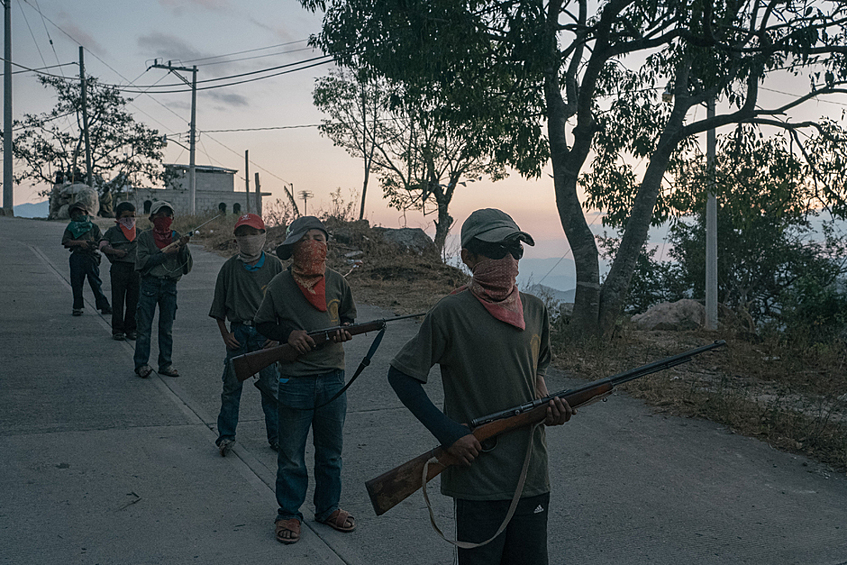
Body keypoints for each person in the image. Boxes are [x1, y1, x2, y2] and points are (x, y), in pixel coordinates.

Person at [388, 208, 574, 565]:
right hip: (478, 476)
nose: (508, 258)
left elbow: (537, 374)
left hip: (530, 472)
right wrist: (449, 434)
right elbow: (401, 376)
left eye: (515, 249)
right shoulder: (450, 312)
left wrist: (550, 407)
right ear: (469, 257)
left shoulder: (534, 309)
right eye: (496, 248)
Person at [254, 216, 357, 545]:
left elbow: (349, 317)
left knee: (330, 453)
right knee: (292, 455)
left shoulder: (338, 281)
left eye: (319, 237)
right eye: (306, 238)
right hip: (295, 380)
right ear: (294, 246)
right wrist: (289, 334)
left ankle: (328, 508)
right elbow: (263, 324)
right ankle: (288, 513)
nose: (313, 244)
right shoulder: (280, 286)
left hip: (332, 378)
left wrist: (344, 329)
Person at [209, 213, 283, 457]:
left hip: (266, 335)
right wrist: (225, 335)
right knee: (231, 387)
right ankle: (226, 436)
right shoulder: (229, 268)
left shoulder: (274, 266)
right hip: (238, 333)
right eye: (242, 234)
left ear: (263, 236)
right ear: (236, 239)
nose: (248, 239)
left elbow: (284, 306)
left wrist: (278, 334)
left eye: (253, 233)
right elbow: (218, 308)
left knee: (271, 387)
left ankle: (276, 436)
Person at [133, 201, 192, 379]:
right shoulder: (144, 237)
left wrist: (182, 248)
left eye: (167, 216)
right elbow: (142, 262)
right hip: (150, 284)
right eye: (160, 216)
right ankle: (141, 365)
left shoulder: (176, 236)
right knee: (144, 328)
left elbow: (187, 266)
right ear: (152, 218)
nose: (164, 219)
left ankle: (165, 364)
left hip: (170, 286)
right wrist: (164, 254)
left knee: (166, 328)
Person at [61, 201, 112, 317]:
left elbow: (101, 241)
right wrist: (80, 243)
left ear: (86, 213)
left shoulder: (93, 227)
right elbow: (65, 241)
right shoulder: (71, 227)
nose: (77, 215)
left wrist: (96, 245)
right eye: (74, 213)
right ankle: (77, 307)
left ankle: (103, 306)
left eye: (80, 212)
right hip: (77, 257)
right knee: (76, 283)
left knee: (95, 283)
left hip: (91, 257)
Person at [99, 201, 140, 340]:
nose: (129, 220)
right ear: (118, 217)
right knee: (118, 300)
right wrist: (115, 251)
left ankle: (131, 329)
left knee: (134, 301)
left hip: (136, 270)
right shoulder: (112, 231)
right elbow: (102, 245)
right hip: (119, 268)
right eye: (125, 216)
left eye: (132, 216)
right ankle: (117, 329)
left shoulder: (139, 232)